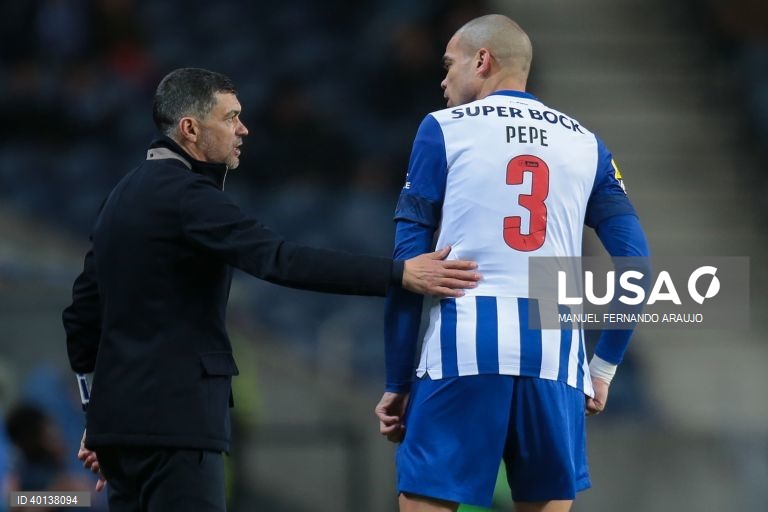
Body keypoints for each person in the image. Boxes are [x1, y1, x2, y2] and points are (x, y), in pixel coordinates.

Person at [62, 67, 482, 512]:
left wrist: (97, 417)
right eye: (230, 117)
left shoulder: (118, 198)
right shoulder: (189, 197)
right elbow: (280, 260)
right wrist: (398, 273)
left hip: (119, 434)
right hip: (178, 425)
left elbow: (81, 316)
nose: (243, 129)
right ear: (190, 129)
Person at [374, 15, 650, 512]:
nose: (443, 81)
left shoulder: (442, 130)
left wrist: (398, 381)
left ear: (482, 60)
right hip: (555, 357)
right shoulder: (587, 144)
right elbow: (638, 265)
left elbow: (408, 268)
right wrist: (603, 367)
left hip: (463, 349)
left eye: (448, 65)